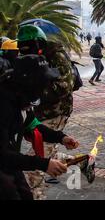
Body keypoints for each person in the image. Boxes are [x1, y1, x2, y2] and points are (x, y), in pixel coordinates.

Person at [0, 54, 79, 200]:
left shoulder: (21, 100)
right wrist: (45, 164)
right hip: (4, 158)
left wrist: (61, 138)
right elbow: (3, 155)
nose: (44, 92)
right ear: (29, 85)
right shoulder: (4, 106)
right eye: (42, 86)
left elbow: (34, 126)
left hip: (8, 157)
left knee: (25, 193)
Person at [16, 25, 76, 196]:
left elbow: (65, 86)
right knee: (47, 150)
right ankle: (80, 162)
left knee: (36, 163)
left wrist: (36, 92)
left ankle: (35, 193)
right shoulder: (26, 58)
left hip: (56, 111)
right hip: (38, 113)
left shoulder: (56, 56)